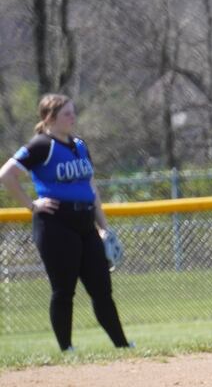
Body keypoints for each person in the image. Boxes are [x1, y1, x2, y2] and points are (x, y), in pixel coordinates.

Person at [0, 93, 132, 352]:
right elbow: (6, 174)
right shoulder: (41, 145)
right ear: (49, 118)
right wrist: (31, 204)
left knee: (101, 287)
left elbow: (90, 185)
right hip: (55, 225)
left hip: (85, 222)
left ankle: (122, 345)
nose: (73, 117)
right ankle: (66, 349)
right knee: (64, 290)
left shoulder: (79, 145)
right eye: (66, 114)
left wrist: (103, 226)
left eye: (73, 111)